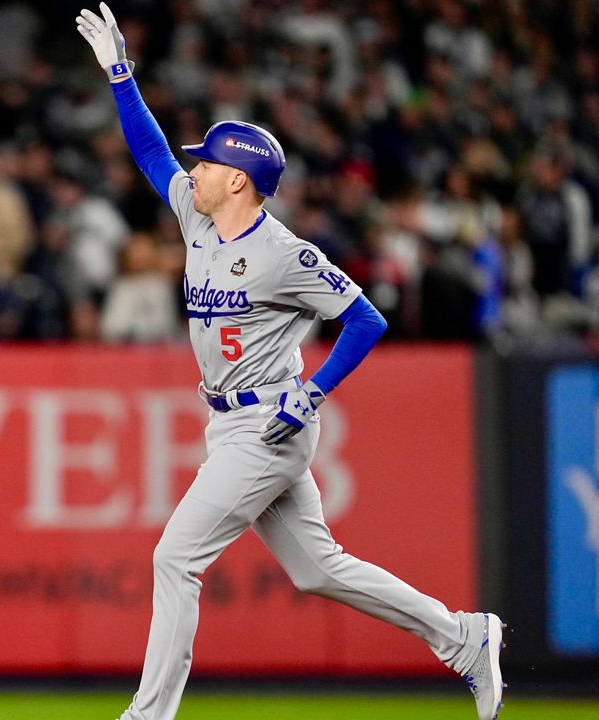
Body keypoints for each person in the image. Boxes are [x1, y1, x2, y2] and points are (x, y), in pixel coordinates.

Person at [75, 5, 504, 720]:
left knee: (174, 559)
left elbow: (367, 318)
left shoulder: (285, 256)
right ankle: (462, 636)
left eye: (208, 161)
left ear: (239, 179)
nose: (196, 168)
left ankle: (148, 716)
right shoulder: (197, 216)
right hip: (231, 423)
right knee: (318, 570)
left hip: (267, 425)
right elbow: (152, 154)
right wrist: (121, 74)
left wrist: (314, 391)